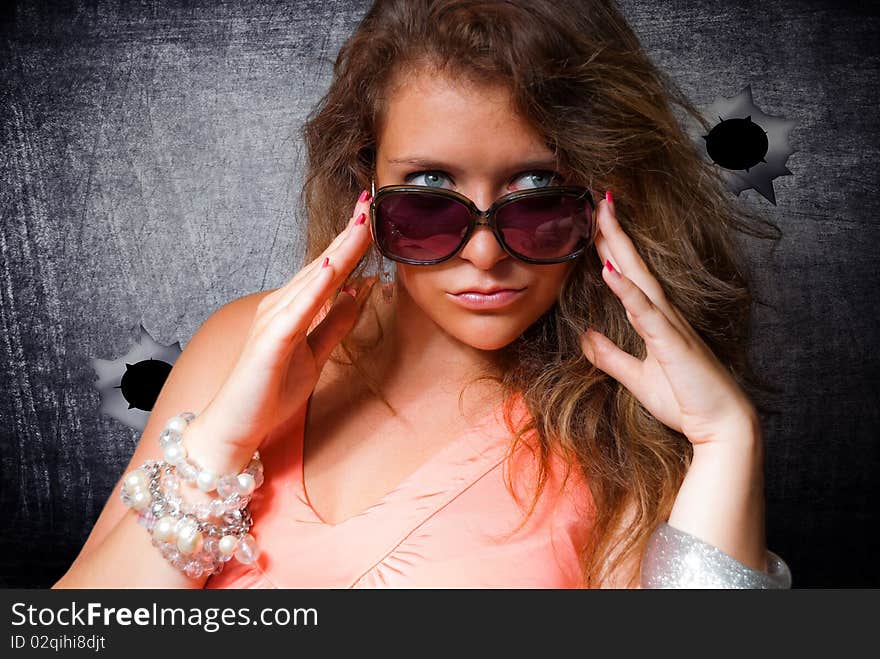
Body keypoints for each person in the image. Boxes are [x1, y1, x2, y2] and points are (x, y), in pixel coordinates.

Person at [53, 0, 791, 589]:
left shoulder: (626, 431)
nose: (483, 253)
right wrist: (220, 443)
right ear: (363, 189)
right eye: (430, 194)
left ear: (605, 197)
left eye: (537, 195)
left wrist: (728, 439)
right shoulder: (246, 342)